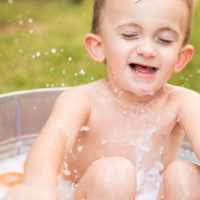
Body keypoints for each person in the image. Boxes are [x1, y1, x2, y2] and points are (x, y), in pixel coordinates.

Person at [4, 0, 200, 199]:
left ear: (180, 58)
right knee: (114, 176)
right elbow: (53, 141)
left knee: (186, 176)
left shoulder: (184, 103)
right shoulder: (82, 100)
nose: (147, 50)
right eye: (129, 35)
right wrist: (37, 185)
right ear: (98, 47)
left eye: (165, 40)